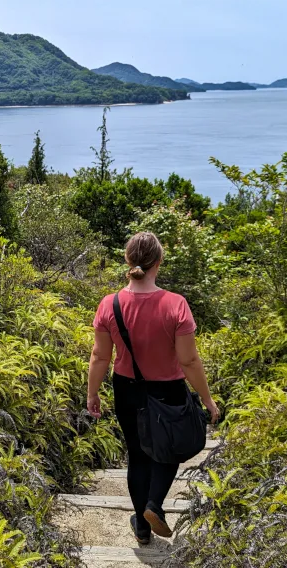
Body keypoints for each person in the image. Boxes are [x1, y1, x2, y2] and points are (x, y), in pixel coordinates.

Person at [87, 231, 220, 543]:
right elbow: (189, 361)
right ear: (159, 261)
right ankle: (153, 505)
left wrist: (92, 393)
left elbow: (100, 355)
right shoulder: (175, 304)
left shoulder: (110, 304)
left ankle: (143, 528)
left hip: (127, 390)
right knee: (169, 448)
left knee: (137, 453)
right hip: (169, 390)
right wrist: (207, 400)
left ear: (127, 259)